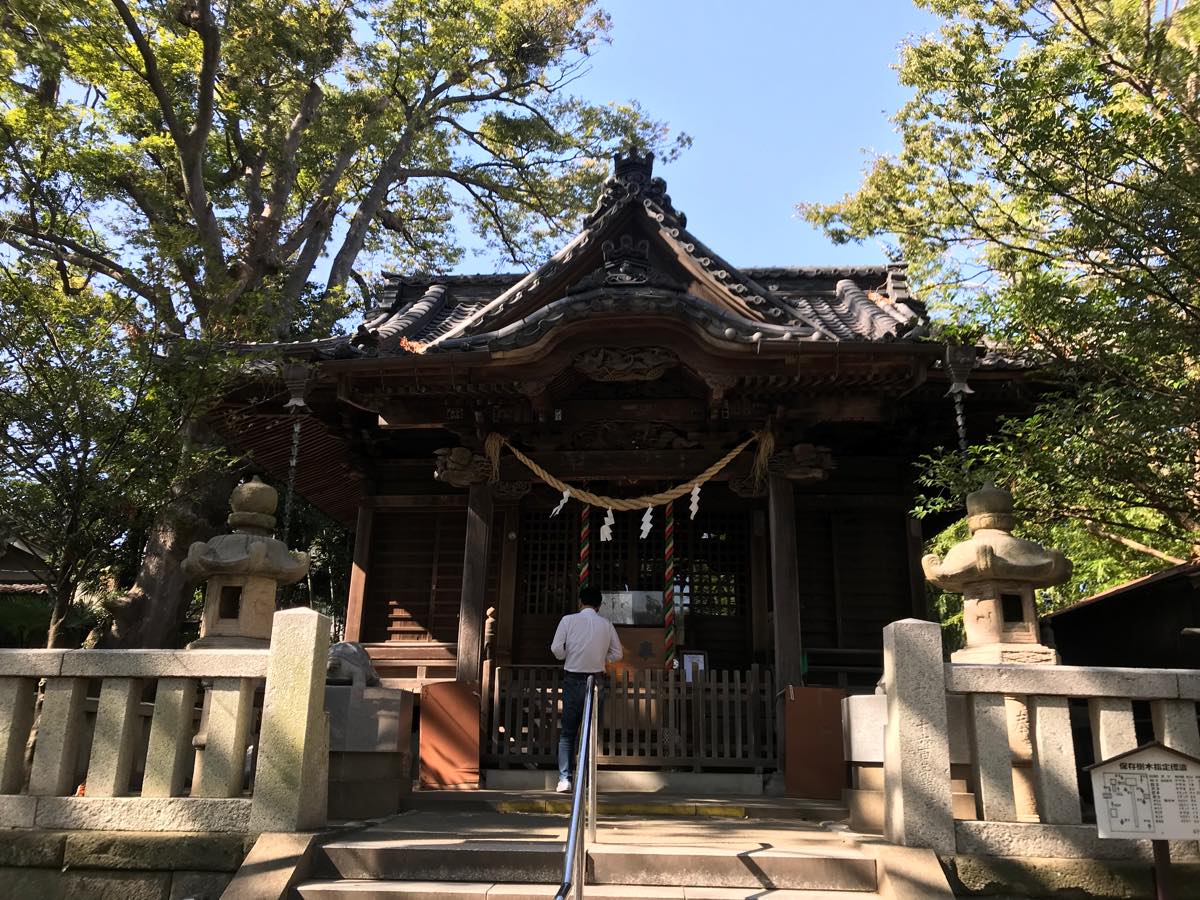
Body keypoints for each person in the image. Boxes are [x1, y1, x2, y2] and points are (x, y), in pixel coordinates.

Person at [550, 586, 623, 793]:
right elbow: (617, 653)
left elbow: (556, 649)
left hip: (573, 678)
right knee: (591, 733)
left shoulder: (568, 620)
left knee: (568, 732)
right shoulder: (606, 624)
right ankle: (588, 779)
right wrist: (602, 658)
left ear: (580, 602)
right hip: (596, 680)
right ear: (599, 606)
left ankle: (565, 779)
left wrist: (567, 656)